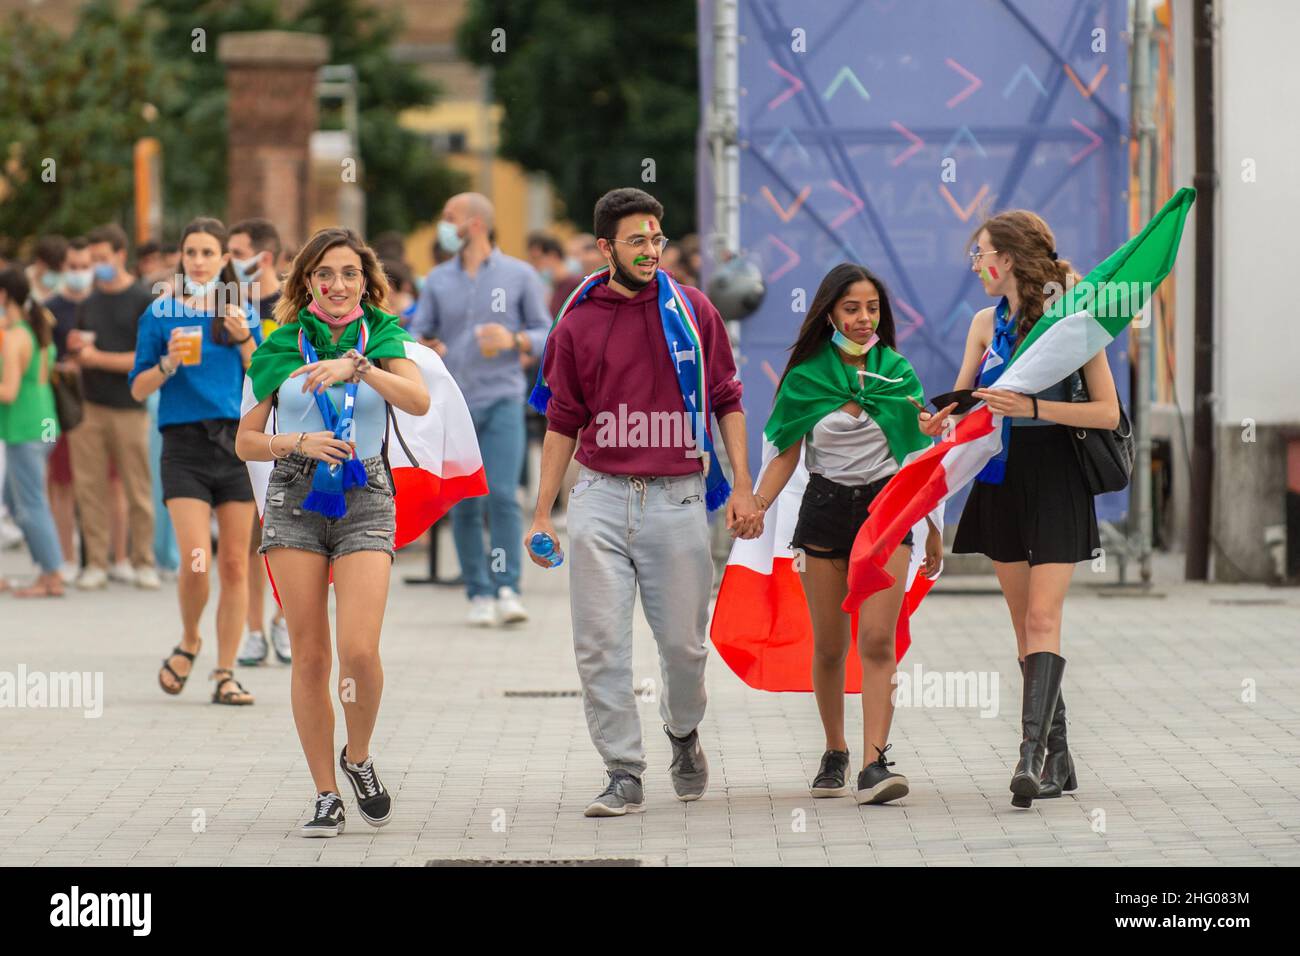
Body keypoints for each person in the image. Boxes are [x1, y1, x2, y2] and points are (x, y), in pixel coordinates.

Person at [526, 187, 759, 816]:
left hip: (679, 498)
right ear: (606, 248)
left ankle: (682, 734)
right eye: (637, 240)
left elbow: (728, 398)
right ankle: (622, 769)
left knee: (684, 647)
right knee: (599, 644)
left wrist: (742, 484)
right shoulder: (577, 319)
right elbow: (563, 419)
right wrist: (543, 511)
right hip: (599, 497)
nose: (652, 250)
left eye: (657, 238)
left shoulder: (694, 311)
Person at [919, 210, 1119, 808]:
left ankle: (1029, 759)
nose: (975, 264)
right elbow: (966, 400)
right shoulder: (984, 323)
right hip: (1000, 480)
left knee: (1040, 622)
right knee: (1021, 629)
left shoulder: (1072, 324)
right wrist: (940, 420)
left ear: (1006, 259)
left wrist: (1033, 408)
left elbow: (1107, 412)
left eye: (980, 254)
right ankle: (1057, 755)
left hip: (1057, 479)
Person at [237, 227, 430, 837]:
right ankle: (325, 792)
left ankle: (359, 756)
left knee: (360, 650)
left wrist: (360, 367)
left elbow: (419, 401)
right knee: (311, 655)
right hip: (295, 494)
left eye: (349, 273)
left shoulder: (384, 337)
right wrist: (296, 441)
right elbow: (244, 440)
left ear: (365, 281)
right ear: (306, 282)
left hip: (366, 493)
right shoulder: (279, 344)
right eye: (324, 274)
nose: (337, 285)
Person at [744, 264, 941, 804]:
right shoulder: (806, 376)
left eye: (872, 308)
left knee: (877, 641)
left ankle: (876, 763)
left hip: (887, 514)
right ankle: (836, 750)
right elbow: (784, 453)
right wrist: (758, 505)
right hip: (825, 512)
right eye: (851, 308)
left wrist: (932, 527)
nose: (862, 318)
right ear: (829, 311)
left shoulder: (897, 373)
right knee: (831, 646)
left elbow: (921, 456)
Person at [130, 218, 262, 705]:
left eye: (209, 252)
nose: (200, 261)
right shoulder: (160, 313)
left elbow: (266, 379)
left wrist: (245, 339)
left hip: (234, 442)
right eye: (192, 253)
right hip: (183, 442)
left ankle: (225, 673)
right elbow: (137, 386)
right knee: (195, 558)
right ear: (181, 259)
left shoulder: (241, 310)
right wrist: (167, 364)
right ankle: (190, 640)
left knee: (234, 562)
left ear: (224, 258)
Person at [412, 192, 551, 627]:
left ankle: (507, 585)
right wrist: (423, 345)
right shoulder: (436, 279)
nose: (443, 224)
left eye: (448, 217)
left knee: (504, 496)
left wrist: (516, 341)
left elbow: (548, 332)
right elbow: (415, 330)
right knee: (464, 500)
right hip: (452, 404)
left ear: (474, 223)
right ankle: (478, 591)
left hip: (503, 398)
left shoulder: (520, 275)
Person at [66, 224, 158, 591]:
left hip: (130, 406)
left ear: (121, 255)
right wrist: (77, 352)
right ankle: (97, 563)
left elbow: (146, 358)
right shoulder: (87, 302)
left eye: (103, 258)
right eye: (94, 260)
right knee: (89, 488)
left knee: (138, 488)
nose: (98, 265)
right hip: (89, 405)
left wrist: (96, 357)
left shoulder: (142, 299)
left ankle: (143, 561)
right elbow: (83, 350)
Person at [228, 218, 291, 668]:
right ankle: (252, 627)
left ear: (262, 257)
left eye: (236, 252)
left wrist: (246, 341)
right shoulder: (225, 303)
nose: (229, 262)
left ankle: (283, 620)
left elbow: (273, 372)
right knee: (251, 539)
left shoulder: (289, 308)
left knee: (289, 534)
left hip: (285, 433)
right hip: (240, 433)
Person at [0, 268, 65, 596]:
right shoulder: (37, 326)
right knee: (15, 498)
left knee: (30, 503)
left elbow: (9, 391)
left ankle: (51, 575)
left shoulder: (15, 337)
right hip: (46, 422)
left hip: (25, 426)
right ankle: (49, 570)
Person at [43, 237, 94, 582]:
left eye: (83, 266)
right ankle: (65, 555)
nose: (78, 273)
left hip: (98, 400)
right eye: (72, 267)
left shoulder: (101, 304)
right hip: (62, 402)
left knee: (99, 483)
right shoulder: (50, 308)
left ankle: (100, 556)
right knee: (61, 482)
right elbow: (42, 354)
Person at [526, 232, 582, 319]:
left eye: (538, 258)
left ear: (552, 256)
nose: (536, 265)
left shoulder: (575, 284)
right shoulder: (553, 284)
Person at [26, 235, 69, 305]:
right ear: (39, 262)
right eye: (53, 270)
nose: (57, 274)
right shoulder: (24, 282)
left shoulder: (68, 281)